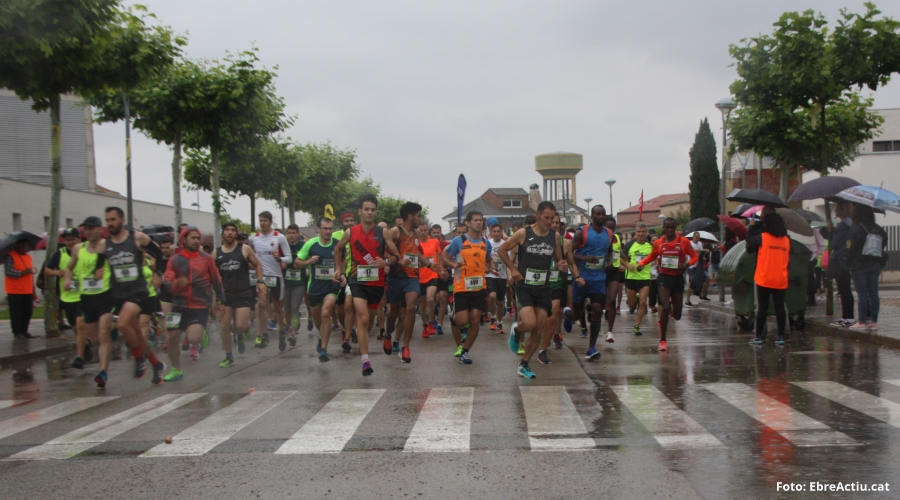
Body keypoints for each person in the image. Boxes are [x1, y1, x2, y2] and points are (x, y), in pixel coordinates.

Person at [498, 201, 570, 378]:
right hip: (525, 285)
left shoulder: (554, 237)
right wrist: (513, 269)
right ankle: (517, 330)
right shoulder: (523, 233)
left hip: (543, 287)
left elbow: (558, 258)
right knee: (529, 324)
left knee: (539, 329)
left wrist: (561, 264)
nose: (549, 221)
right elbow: (501, 250)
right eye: (546, 217)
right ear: (538, 215)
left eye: (552, 218)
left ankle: (524, 364)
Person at [333, 194, 402, 376]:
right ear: (360, 211)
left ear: (375, 211)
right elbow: (338, 248)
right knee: (362, 318)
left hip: (377, 283)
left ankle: (361, 341)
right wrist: (338, 270)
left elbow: (396, 257)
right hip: (357, 280)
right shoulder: (351, 232)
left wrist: (386, 262)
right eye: (366, 209)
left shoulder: (382, 233)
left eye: (372, 209)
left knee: (369, 322)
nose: (370, 212)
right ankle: (365, 361)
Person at [103, 207, 166, 386]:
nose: (110, 223)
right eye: (107, 220)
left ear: (122, 220)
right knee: (137, 333)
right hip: (119, 293)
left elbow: (158, 252)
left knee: (122, 324)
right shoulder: (106, 243)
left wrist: (157, 273)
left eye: (113, 219)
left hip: (138, 290)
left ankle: (138, 358)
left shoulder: (137, 237)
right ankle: (156, 364)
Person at [161, 226, 225, 381]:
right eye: (193, 238)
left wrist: (221, 300)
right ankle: (176, 370)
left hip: (200, 305)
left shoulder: (206, 259)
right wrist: (177, 284)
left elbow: (216, 280)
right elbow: (167, 282)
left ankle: (201, 333)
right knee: (171, 337)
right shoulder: (175, 260)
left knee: (193, 339)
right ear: (183, 240)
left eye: (198, 238)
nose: (197, 241)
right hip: (178, 305)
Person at [385, 202, 439, 363]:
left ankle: (406, 347)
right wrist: (398, 261)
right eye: (418, 215)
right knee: (393, 311)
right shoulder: (395, 232)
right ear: (410, 216)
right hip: (396, 277)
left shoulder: (415, 234)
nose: (420, 219)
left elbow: (415, 255)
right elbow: (383, 251)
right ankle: (388, 335)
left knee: (410, 307)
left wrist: (430, 265)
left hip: (412, 277)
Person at [636, 217, 698, 352]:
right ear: (663, 228)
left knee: (677, 316)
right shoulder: (658, 243)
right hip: (664, 278)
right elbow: (652, 256)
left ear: (675, 228)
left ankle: (670, 311)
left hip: (677, 279)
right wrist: (641, 263)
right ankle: (663, 340)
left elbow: (695, 257)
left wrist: (686, 264)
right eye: (667, 227)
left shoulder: (683, 242)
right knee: (664, 306)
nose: (669, 230)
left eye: (672, 227)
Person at [64, 217, 113, 386]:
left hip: (105, 295)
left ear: (100, 229)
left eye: (92, 228)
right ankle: (108, 343)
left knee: (103, 333)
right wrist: (67, 280)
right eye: (86, 228)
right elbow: (69, 267)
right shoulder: (78, 248)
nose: (89, 231)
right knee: (96, 339)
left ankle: (103, 372)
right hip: (86, 297)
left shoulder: (107, 246)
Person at [563, 205, 613, 360]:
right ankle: (568, 315)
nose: (601, 216)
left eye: (603, 214)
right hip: (582, 278)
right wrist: (585, 258)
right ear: (592, 216)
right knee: (577, 313)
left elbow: (608, 250)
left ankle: (591, 348)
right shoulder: (582, 232)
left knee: (598, 309)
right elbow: (568, 252)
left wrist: (609, 260)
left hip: (598, 279)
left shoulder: (609, 233)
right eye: (598, 213)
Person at [212, 223, 265, 366]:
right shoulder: (216, 253)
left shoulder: (244, 249)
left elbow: (258, 265)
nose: (230, 233)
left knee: (240, 325)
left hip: (243, 292)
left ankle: (241, 332)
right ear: (222, 234)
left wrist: (260, 281)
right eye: (227, 230)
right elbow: (211, 274)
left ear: (236, 234)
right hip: (225, 294)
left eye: (232, 230)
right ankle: (229, 357)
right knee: (224, 325)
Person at [442, 211, 491, 364]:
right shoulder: (459, 241)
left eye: (481, 220)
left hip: (479, 287)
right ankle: (453, 316)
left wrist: (490, 268)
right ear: (468, 223)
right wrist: (452, 265)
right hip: (461, 287)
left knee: (475, 320)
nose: (479, 223)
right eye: (475, 220)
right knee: (463, 321)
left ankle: (465, 351)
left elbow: (488, 260)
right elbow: (444, 258)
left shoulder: (486, 243)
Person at [297, 217, 342, 361]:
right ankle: (321, 336)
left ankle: (324, 349)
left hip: (332, 286)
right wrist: (308, 261)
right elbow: (297, 263)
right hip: (315, 287)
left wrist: (342, 273)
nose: (328, 231)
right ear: (318, 229)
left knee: (326, 312)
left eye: (330, 229)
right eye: (325, 228)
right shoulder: (311, 244)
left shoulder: (337, 245)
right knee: (318, 321)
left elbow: (343, 260)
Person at [745, 212, 791, 345]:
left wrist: (752, 227)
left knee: (762, 308)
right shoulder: (786, 240)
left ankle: (758, 336)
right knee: (780, 307)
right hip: (780, 278)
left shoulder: (763, 237)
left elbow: (749, 242)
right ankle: (781, 336)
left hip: (764, 277)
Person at [46, 228, 90, 364]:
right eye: (67, 240)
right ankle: (86, 343)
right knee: (75, 328)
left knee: (80, 324)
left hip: (83, 295)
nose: (70, 242)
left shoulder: (86, 252)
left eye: (73, 239)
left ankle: (79, 357)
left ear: (79, 239)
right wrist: (57, 272)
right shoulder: (59, 254)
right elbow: (47, 270)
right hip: (68, 296)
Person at [248, 211, 292, 348]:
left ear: (271, 222)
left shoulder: (279, 237)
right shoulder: (253, 239)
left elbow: (289, 258)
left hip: (276, 276)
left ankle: (281, 331)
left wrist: (280, 259)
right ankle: (263, 334)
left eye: (265, 221)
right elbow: (250, 256)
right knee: (261, 304)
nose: (262, 223)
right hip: (261, 277)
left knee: (278, 306)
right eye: (260, 220)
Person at [845, 204, 888, 329]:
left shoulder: (856, 228)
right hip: (874, 263)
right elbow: (884, 240)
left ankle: (862, 321)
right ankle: (874, 321)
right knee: (873, 293)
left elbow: (850, 248)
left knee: (862, 293)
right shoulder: (878, 229)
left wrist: (848, 263)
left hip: (859, 265)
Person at [826, 201, 856, 327]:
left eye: (837, 208)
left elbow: (834, 244)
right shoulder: (851, 223)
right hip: (847, 258)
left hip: (841, 259)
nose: (835, 211)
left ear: (843, 210)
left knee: (844, 289)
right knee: (845, 288)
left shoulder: (844, 225)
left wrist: (831, 231)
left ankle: (848, 316)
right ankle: (846, 316)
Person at [621, 222, 653, 336]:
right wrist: (627, 265)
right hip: (631, 277)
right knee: (631, 305)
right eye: (639, 232)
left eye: (643, 232)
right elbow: (620, 259)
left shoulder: (650, 246)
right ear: (635, 233)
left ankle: (637, 326)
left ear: (646, 233)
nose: (641, 234)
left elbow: (655, 259)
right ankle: (635, 300)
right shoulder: (629, 245)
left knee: (643, 302)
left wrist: (654, 270)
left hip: (644, 277)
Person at [5, 238, 37, 338]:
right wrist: (23, 272)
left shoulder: (28, 257)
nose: (25, 247)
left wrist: (33, 288)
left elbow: (30, 275)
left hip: (27, 289)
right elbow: (8, 272)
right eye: (23, 245)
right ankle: (17, 331)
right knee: (16, 312)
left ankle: (24, 330)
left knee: (27, 311)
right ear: (16, 245)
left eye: (26, 245)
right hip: (15, 290)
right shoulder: (10, 256)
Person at [417, 222, 444, 337]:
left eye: (425, 230)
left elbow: (441, 255)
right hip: (419, 276)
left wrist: (441, 269)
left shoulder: (434, 241)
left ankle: (431, 323)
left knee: (430, 299)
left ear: (428, 231)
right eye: (421, 230)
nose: (423, 233)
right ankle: (424, 326)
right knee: (422, 303)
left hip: (432, 274)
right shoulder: (415, 243)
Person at [282, 224, 307, 349]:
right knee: (287, 310)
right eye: (289, 233)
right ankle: (291, 324)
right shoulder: (283, 245)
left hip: (299, 282)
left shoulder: (302, 246)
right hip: (286, 282)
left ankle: (293, 332)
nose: (291, 235)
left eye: (293, 233)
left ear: (298, 234)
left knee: (294, 306)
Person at [486, 223, 509, 334]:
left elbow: (509, 261)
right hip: (490, 274)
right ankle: (493, 317)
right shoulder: (487, 243)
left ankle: (499, 322)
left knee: (500, 301)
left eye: (498, 231)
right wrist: (488, 268)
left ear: (501, 232)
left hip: (502, 275)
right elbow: (485, 259)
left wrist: (510, 275)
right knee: (491, 296)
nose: (496, 233)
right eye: (494, 231)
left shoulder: (506, 244)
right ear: (491, 232)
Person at [604, 217, 623, 337]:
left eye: (613, 227)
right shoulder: (600, 238)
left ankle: (610, 331)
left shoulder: (617, 238)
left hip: (615, 271)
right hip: (602, 271)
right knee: (601, 300)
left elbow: (618, 253)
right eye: (608, 227)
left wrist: (625, 259)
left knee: (612, 298)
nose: (611, 229)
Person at [805, 228, 826, 307]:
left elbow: (822, 244)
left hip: (811, 258)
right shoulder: (800, 230)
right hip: (802, 257)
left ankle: (811, 298)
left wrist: (816, 255)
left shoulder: (814, 231)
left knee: (810, 277)